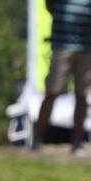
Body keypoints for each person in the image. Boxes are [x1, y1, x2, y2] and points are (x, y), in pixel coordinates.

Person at [33, 0, 91, 154]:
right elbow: (50, 5)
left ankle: (77, 143)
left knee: (82, 95)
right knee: (52, 92)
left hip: (86, 47)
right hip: (62, 45)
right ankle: (37, 140)